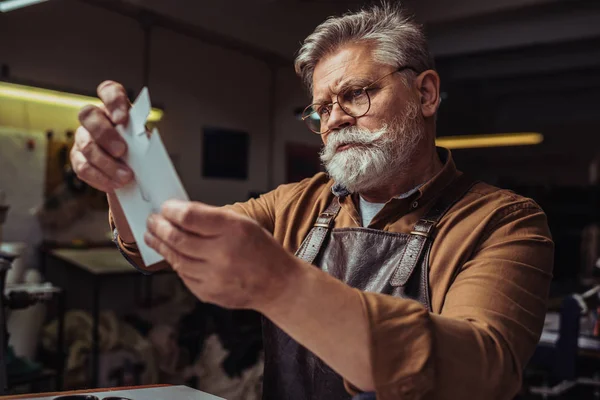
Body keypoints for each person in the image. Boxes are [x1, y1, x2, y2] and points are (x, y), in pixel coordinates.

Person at [70, 3, 554, 399]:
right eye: (321, 108)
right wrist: (125, 177)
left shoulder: (503, 222)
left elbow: (482, 370)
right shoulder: (296, 204)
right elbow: (160, 247)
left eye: (356, 95)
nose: (334, 120)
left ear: (425, 94)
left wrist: (282, 285)